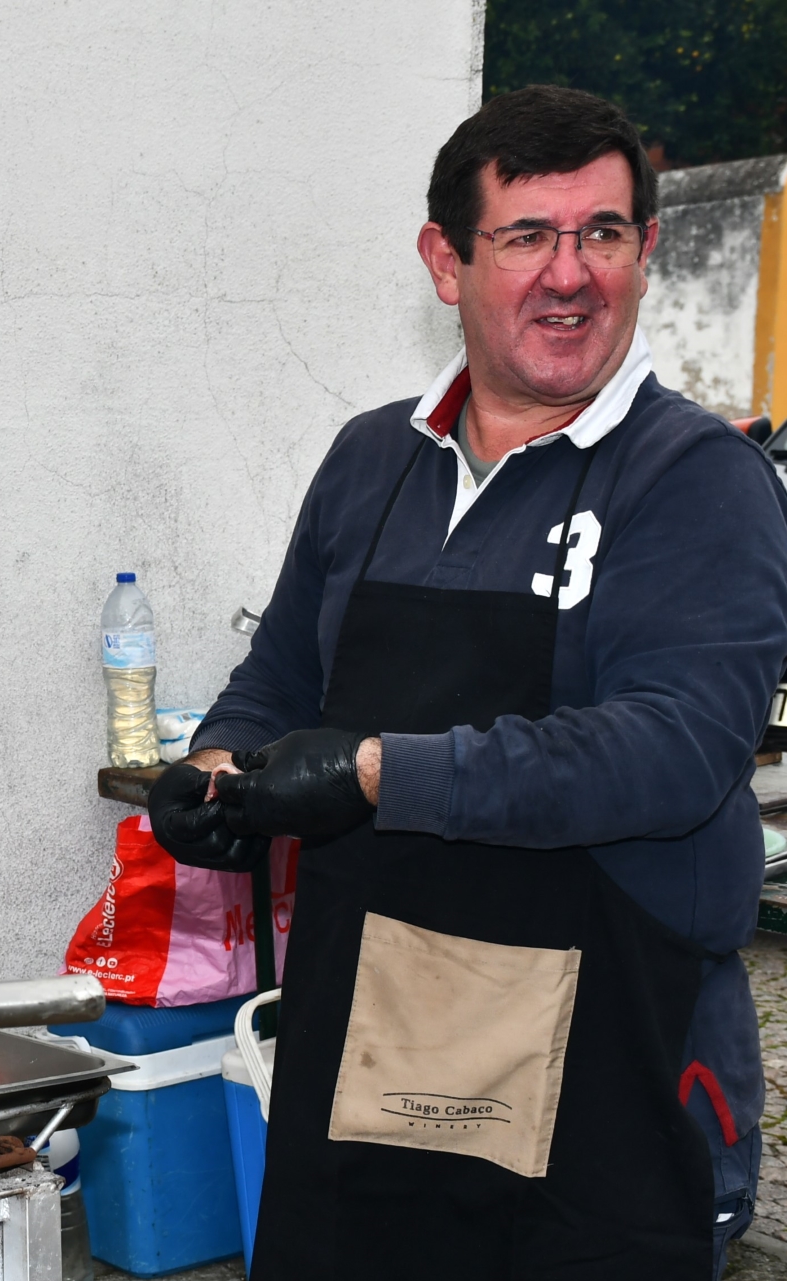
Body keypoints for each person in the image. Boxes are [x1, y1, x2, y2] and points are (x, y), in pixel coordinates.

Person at [149, 86, 787, 1279]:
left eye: (601, 233)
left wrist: (371, 772)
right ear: (445, 262)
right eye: (527, 236)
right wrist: (220, 767)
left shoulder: (696, 480)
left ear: (646, 251)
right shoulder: (371, 461)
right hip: (368, 1043)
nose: (570, 274)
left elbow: (672, 748)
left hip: (605, 1058)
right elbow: (281, 672)